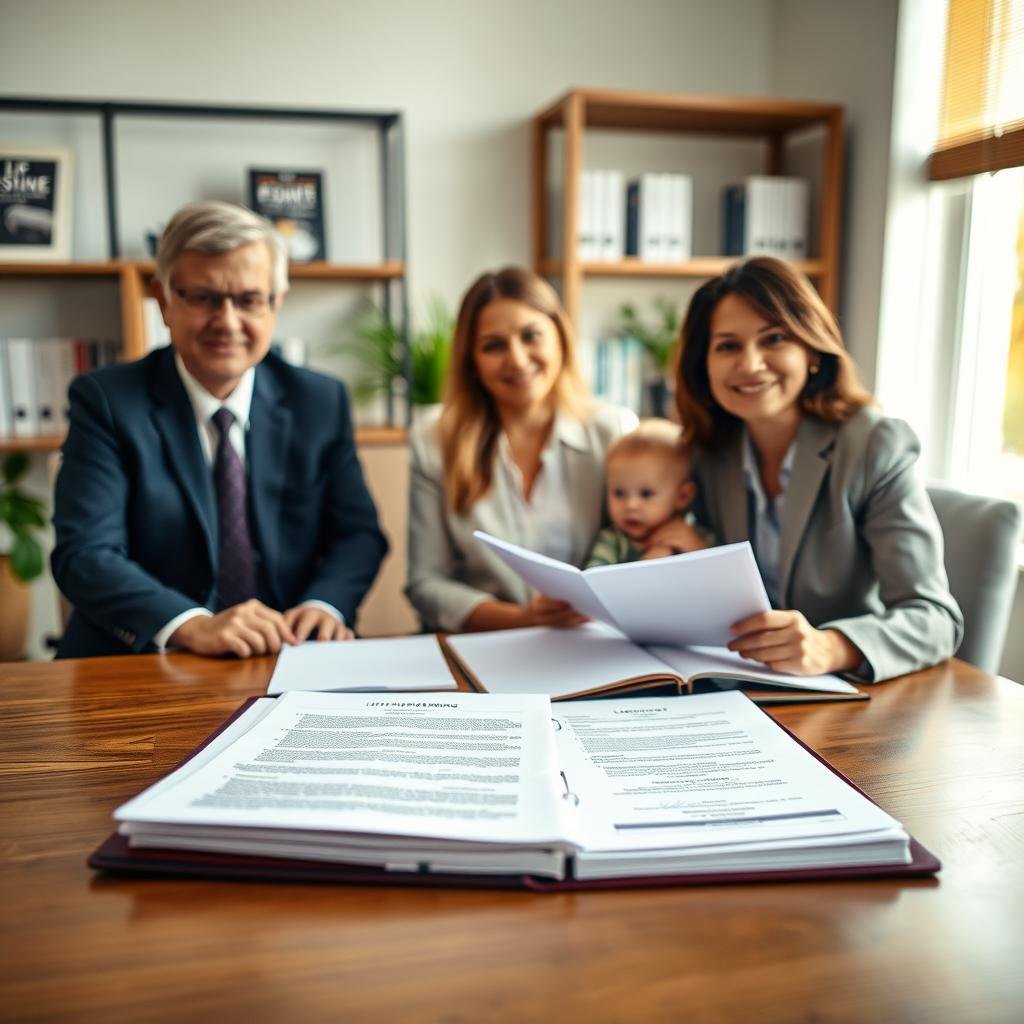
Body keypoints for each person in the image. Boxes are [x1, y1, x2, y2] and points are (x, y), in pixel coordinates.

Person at [52, 200, 387, 659]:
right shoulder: (106, 402)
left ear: (276, 304)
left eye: (248, 300)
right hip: (147, 661)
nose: (227, 322)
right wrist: (193, 625)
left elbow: (358, 535)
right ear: (164, 300)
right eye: (205, 297)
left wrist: (323, 604)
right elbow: (86, 554)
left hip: (285, 652)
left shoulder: (319, 400)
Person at [673, 256, 962, 681]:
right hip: (736, 685)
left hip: (842, 701)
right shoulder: (708, 452)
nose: (751, 364)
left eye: (773, 339)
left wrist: (831, 647)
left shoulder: (873, 445)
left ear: (811, 350)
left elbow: (935, 618)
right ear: (704, 366)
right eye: (728, 345)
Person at [406, 266, 637, 632]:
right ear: (472, 361)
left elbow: (638, 556)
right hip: (485, 643)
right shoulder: (434, 438)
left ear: (560, 338)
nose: (516, 358)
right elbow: (426, 582)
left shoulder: (613, 431)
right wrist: (523, 619)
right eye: (493, 345)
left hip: (594, 642)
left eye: (531, 336)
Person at [586, 418, 709, 567]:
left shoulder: (696, 534)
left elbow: (724, 576)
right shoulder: (613, 541)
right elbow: (594, 580)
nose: (631, 505)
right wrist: (645, 567)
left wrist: (698, 548)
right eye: (619, 493)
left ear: (682, 496)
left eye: (646, 494)